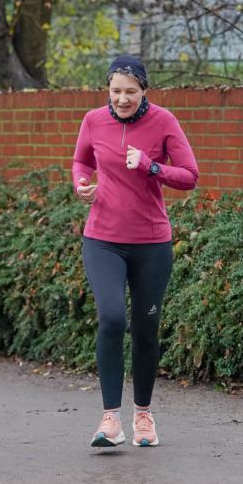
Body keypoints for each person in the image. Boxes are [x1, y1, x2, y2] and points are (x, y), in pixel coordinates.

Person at [72, 53, 199, 449]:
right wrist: (81, 183)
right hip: (103, 239)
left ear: (144, 90)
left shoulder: (164, 122)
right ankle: (110, 419)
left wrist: (150, 166)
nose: (122, 99)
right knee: (112, 318)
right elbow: (81, 161)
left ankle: (143, 414)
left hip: (151, 243)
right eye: (115, 91)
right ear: (107, 90)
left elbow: (190, 176)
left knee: (146, 328)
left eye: (130, 91)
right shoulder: (94, 120)